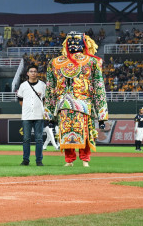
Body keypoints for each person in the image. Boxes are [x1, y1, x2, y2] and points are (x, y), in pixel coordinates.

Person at [44, 32, 108, 167]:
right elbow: (50, 89)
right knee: (66, 132)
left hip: (83, 104)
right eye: (70, 40)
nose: (73, 43)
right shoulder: (54, 63)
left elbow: (99, 87)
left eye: (76, 40)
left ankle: (85, 159)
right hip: (64, 105)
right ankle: (69, 160)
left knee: (85, 132)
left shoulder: (92, 62)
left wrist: (102, 116)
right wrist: (49, 115)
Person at [16, 65, 47, 166]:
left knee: (39, 139)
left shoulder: (42, 85)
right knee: (26, 139)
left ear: (37, 73)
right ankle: (26, 160)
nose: (33, 73)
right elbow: (20, 101)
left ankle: (39, 160)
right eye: (31, 71)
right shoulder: (23, 85)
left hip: (39, 115)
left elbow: (45, 100)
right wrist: (27, 108)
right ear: (27, 73)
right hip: (27, 116)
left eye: (35, 71)